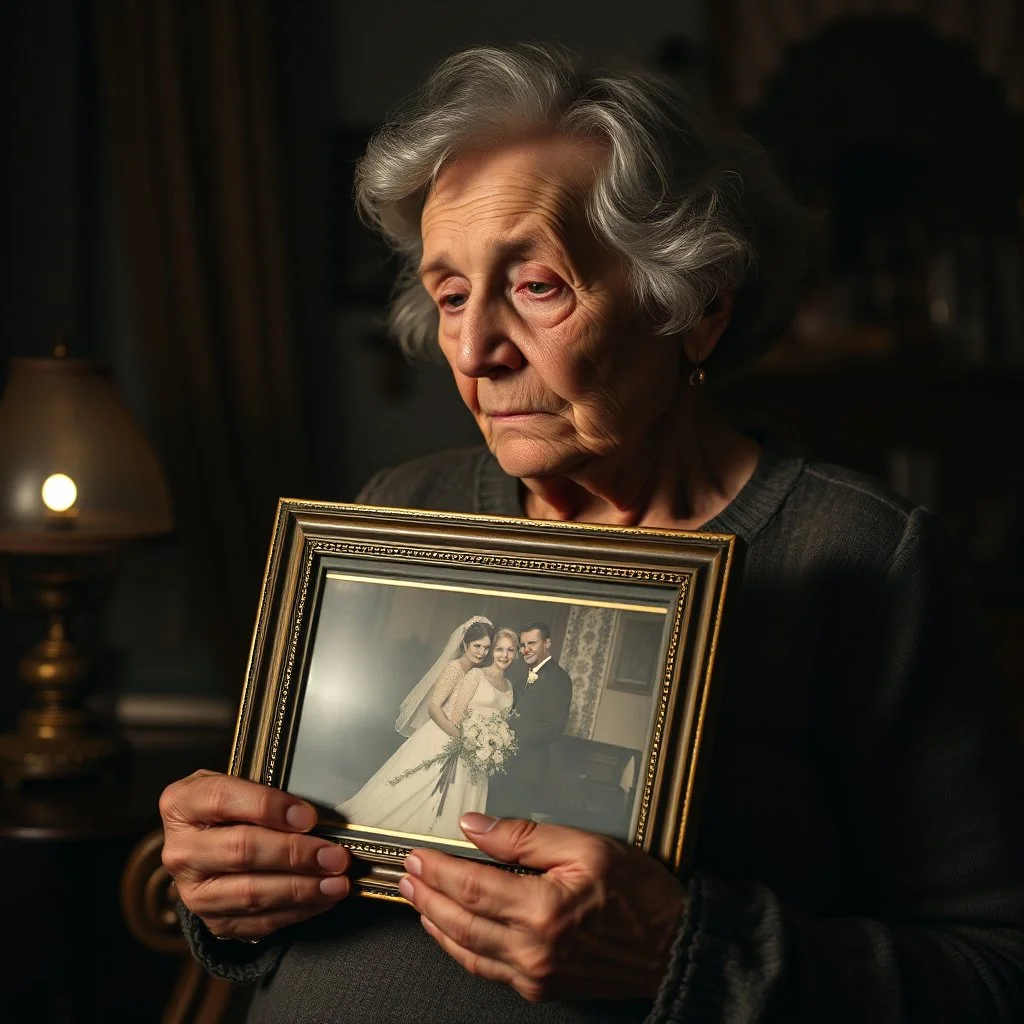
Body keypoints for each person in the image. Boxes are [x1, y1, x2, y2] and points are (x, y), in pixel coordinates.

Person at [159, 43, 1024, 1023]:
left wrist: (685, 951)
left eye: (537, 285)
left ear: (693, 309)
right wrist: (229, 890)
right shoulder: (398, 507)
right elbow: (301, 865)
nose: (475, 350)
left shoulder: (864, 555)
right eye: (450, 295)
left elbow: (995, 971)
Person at [332, 616, 504, 839]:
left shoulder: (477, 674)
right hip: (440, 735)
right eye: (476, 646)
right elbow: (434, 708)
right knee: (410, 792)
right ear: (464, 645)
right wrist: (458, 735)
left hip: (462, 738)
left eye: (486, 648)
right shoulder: (455, 668)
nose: (481, 652)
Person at [487, 621, 572, 820]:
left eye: (532, 643)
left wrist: (509, 734)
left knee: (511, 830)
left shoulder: (559, 679)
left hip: (527, 770)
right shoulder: (519, 673)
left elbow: (554, 727)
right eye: (523, 645)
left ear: (547, 643)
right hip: (503, 765)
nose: (526, 650)